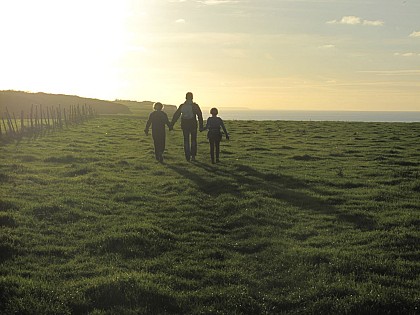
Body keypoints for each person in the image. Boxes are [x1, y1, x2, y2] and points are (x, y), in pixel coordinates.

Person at [171, 92, 203, 162]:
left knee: (186, 140)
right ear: (192, 97)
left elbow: (176, 115)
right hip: (193, 124)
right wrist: (201, 126)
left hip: (185, 124)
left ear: (185, 97)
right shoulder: (195, 106)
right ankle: (193, 156)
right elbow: (200, 116)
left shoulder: (182, 106)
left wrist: (172, 124)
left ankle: (187, 157)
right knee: (193, 140)